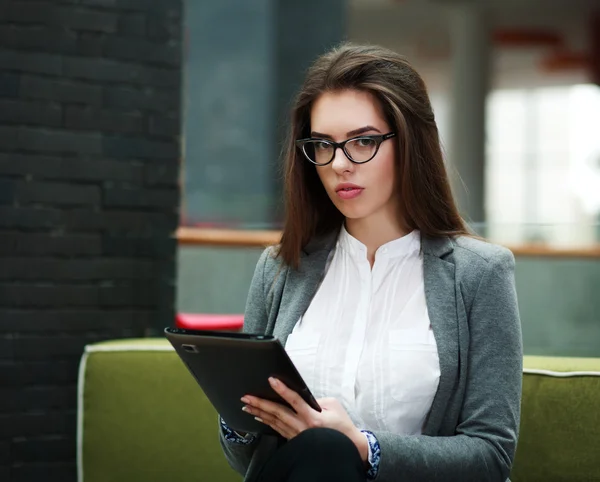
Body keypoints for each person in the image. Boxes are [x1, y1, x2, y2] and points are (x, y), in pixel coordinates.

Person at [218, 42, 523, 482]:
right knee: (318, 451)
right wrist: (238, 414)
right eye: (323, 145)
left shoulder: (480, 274)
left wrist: (365, 447)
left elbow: (490, 457)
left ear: (409, 143)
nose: (340, 163)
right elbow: (248, 459)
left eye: (363, 141)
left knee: (327, 447)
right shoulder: (280, 268)